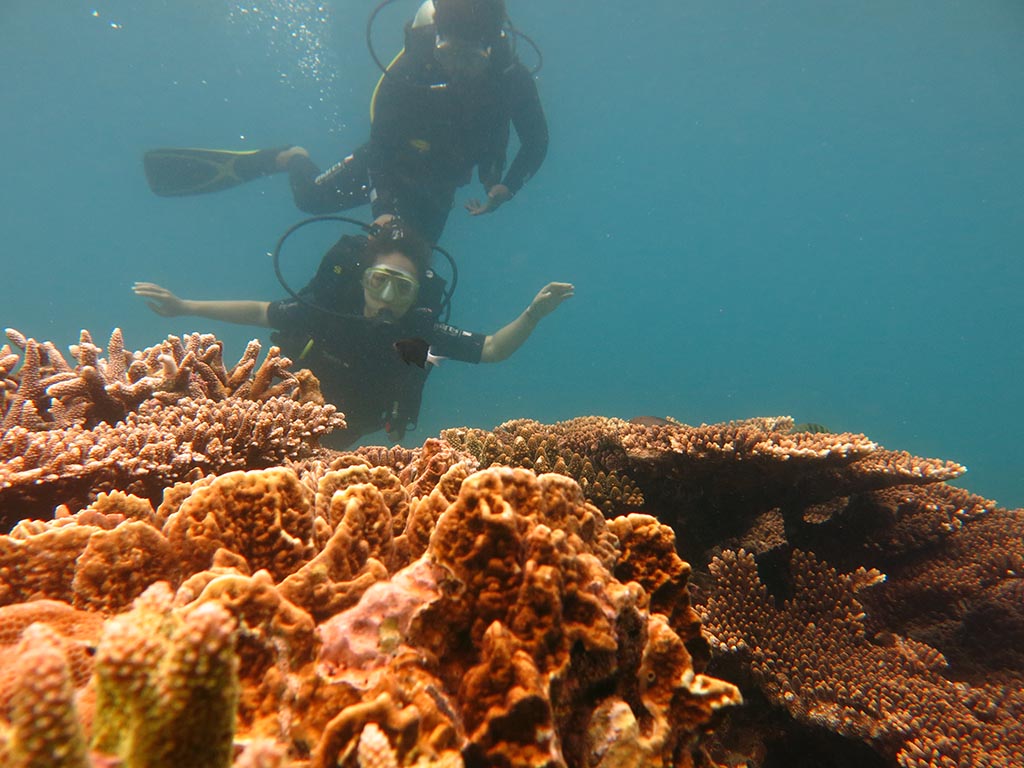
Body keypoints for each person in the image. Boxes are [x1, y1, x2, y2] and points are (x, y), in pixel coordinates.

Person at [132, 220, 572, 447]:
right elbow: (261, 311)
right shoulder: (327, 312)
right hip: (275, 419)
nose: (387, 295)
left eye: (402, 287)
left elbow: (491, 348)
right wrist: (184, 306)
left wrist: (533, 314)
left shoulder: (420, 332)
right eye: (379, 279)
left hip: (350, 434)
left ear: (417, 294)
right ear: (363, 279)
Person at [143, 0, 548, 244]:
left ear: (491, 50)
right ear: (434, 42)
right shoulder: (410, 72)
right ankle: (289, 157)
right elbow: (381, 151)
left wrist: (505, 185)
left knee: (416, 258)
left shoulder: (512, 79)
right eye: (447, 51)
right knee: (310, 201)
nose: (455, 67)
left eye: (470, 57)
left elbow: (536, 142)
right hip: (392, 161)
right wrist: (384, 209)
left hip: (445, 176)